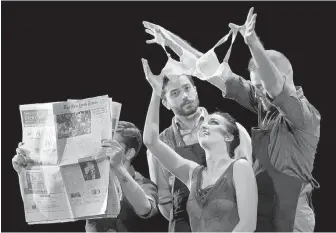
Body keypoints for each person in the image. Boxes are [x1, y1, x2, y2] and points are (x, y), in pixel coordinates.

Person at [148, 7, 321, 232]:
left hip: (290, 215)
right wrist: (170, 41)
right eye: (254, 86)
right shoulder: (265, 106)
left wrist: (252, 43)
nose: (256, 92)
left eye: (260, 86)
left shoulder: (305, 117)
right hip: (264, 210)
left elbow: (275, 86)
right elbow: (210, 70)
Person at [143, 21, 253, 233]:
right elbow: (165, 201)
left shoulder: (230, 128)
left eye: (187, 88)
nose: (185, 95)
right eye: (175, 93)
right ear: (165, 102)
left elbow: (248, 190)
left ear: (196, 89)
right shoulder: (186, 167)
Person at [12, 121, 159, 232]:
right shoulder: (91, 180)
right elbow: (44, 207)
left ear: (129, 153)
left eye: (112, 145)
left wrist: (118, 167)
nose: (104, 149)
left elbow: (145, 208)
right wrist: (24, 172)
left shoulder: (145, 184)